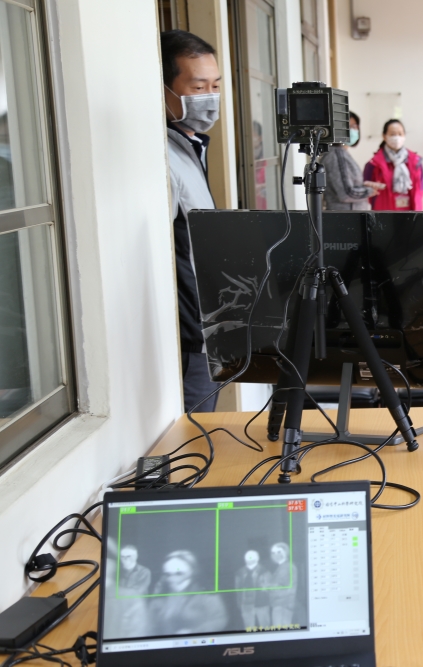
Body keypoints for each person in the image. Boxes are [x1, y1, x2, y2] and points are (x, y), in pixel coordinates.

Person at [161, 30, 222, 412]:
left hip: (207, 330)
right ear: (164, 90)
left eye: (215, 85)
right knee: (194, 442)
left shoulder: (189, 145)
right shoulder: (163, 156)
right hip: (186, 340)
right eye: (198, 86)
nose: (210, 97)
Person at [149, 550, 228, 635]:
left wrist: (195, 632)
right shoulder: (160, 594)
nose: (172, 578)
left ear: (192, 571)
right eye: (168, 574)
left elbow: (219, 619)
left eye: (178, 573)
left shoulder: (207, 593)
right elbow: (150, 624)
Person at [320, 111, 384, 211]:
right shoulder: (336, 155)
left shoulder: (342, 153)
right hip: (344, 218)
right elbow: (346, 193)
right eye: (348, 127)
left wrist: (363, 186)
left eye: (354, 126)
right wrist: (370, 191)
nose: (353, 130)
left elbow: (346, 185)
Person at [363, 120, 423, 211]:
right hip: (384, 216)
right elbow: (367, 193)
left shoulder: (416, 162)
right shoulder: (373, 164)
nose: (397, 137)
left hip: (411, 216)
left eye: (400, 134)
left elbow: (421, 189)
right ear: (384, 136)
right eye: (392, 134)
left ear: (404, 135)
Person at [235, 549, 271, 629]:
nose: (249, 558)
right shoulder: (239, 573)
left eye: (252, 556)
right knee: (249, 629)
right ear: (244, 559)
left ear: (257, 558)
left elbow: (269, 589)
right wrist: (239, 603)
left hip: (262, 604)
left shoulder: (264, 571)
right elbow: (237, 590)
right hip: (246, 605)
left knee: (266, 627)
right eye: (247, 557)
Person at [268, 542, 297, 626]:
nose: (275, 555)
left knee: (281, 632)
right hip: (279, 604)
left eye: (278, 552)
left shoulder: (288, 567)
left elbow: (290, 589)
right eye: (273, 553)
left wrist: (271, 588)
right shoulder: (281, 567)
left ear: (286, 552)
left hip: (283, 606)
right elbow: (280, 584)